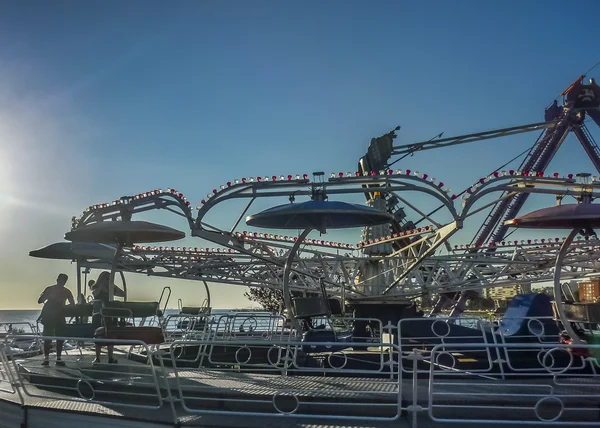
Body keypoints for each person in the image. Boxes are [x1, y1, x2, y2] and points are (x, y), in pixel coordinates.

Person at [37, 273, 75, 366]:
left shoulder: (51, 289)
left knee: (51, 338)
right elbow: (72, 304)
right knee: (56, 338)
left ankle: (50, 359)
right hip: (56, 316)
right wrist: (63, 306)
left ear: (57, 279)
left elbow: (40, 300)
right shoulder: (66, 291)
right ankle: (55, 358)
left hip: (53, 316)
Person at [91, 271, 125, 364]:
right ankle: (97, 357)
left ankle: (110, 357)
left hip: (110, 314)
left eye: (110, 279)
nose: (108, 280)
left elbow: (123, 294)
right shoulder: (96, 287)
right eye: (107, 278)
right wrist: (101, 285)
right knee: (98, 335)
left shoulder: (111, 288)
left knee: (110, 335)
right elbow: (95, 294)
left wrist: (112, 286)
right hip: (99, 314)